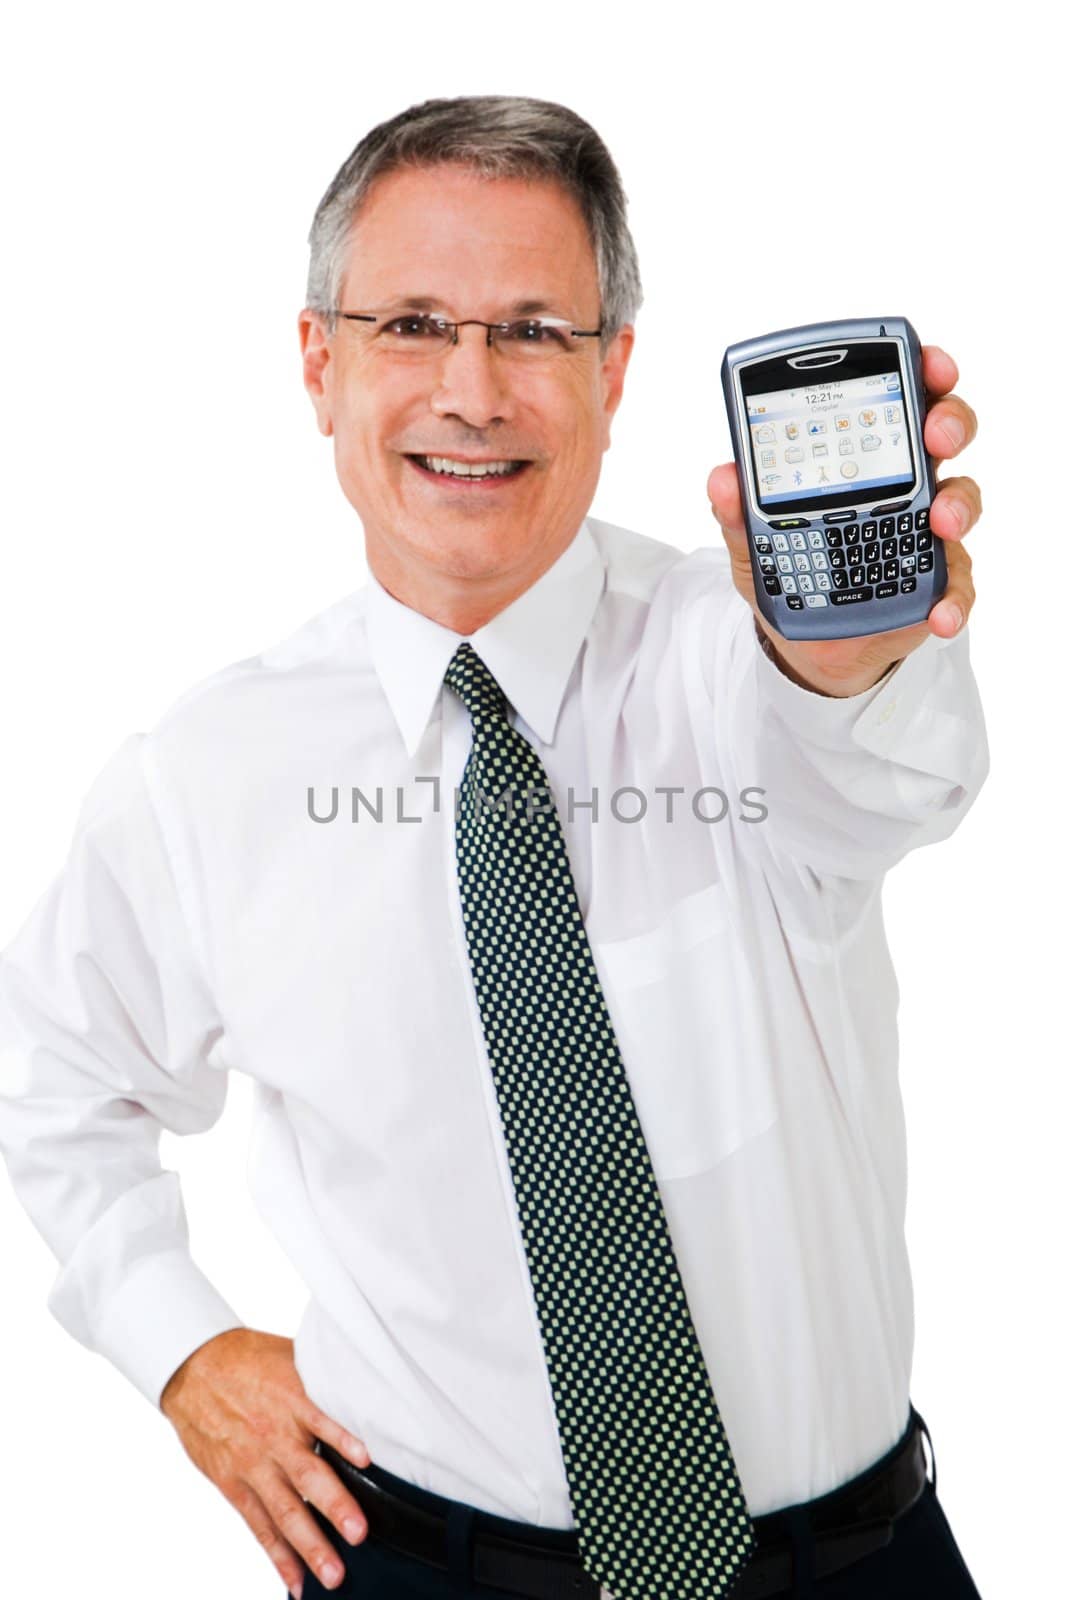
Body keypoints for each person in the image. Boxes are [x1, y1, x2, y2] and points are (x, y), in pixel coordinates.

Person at [0, 94, 989, 1600]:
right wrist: (179, 1346)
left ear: (616, 372)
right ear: (320, 364)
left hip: (854, 1566)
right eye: (412, 324)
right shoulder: (203, 776)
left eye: (534, 331)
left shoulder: (740, 664)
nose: (473, 391)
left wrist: (846, 661)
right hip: (422, 1569)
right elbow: (55, 1083)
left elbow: (876, 783)